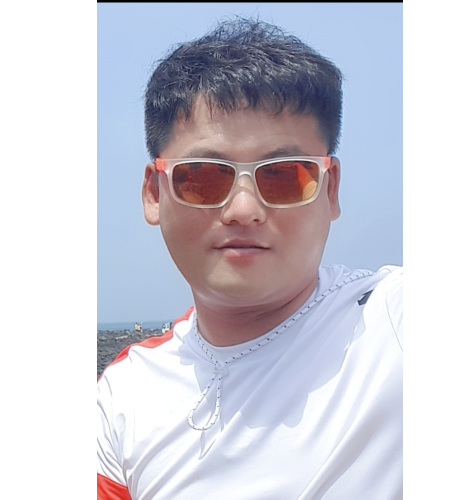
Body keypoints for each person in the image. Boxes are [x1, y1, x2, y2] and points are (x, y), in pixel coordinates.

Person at [97, 17, 402, 500]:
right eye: (202, 177)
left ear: (330, 190)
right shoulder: (122, 397)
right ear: (154, 193)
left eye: (284, 176)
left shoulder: (394, 323)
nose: (244, 209)